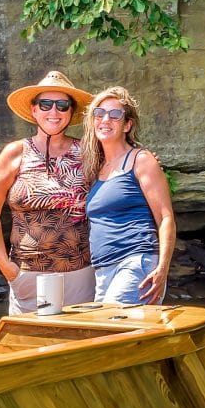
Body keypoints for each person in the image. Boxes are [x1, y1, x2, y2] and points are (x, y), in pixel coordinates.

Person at [0, 70, 97, 314]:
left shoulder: (89, 153)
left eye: (62, 105)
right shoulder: (15, 153)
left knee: (79, 336)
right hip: (27, 274)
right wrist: (6, 267)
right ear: (34, 110)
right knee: (30, 336)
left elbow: (122, 174)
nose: (54, 111)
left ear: (71, 112)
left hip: (80, 272)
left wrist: (147, 161)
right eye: (45, 104)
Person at [82, 86, 176, 305]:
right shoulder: (97, 168)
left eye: (115, 114)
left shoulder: (141, 160)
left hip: (135, 262)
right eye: (99, 113)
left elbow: (166, 217)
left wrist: (163, 268)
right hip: (103, 270)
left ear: (127, 125)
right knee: (106, 325)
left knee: (112, 323)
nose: (105, 119)